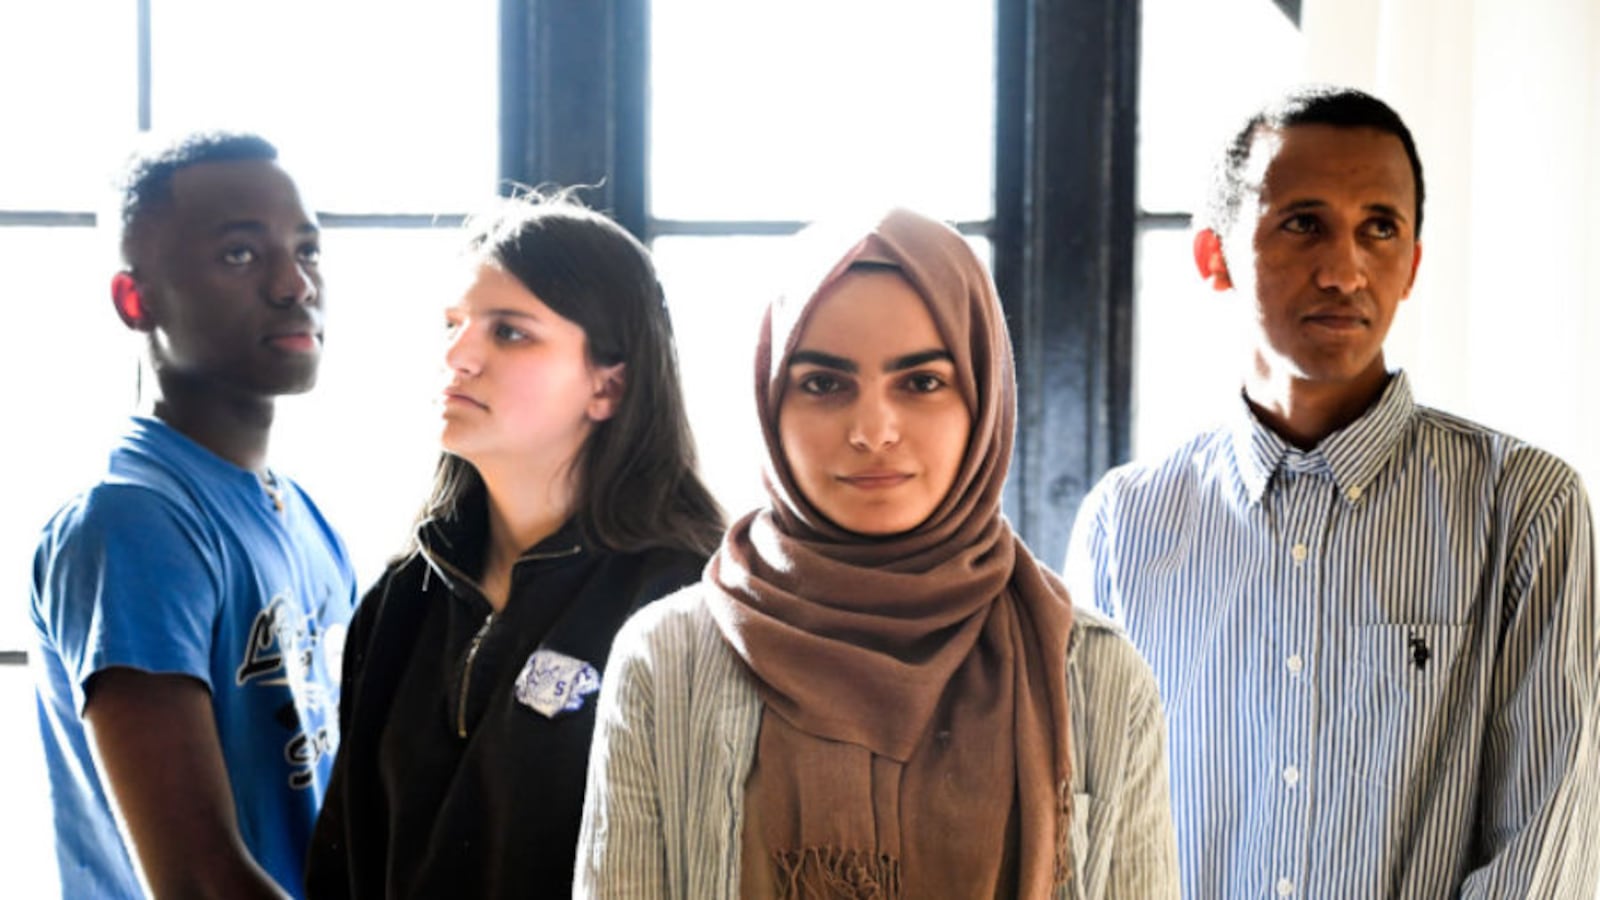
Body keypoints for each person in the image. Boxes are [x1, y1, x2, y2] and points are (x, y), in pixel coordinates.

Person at [1064, 84, 1599, 898]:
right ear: (1214, 257)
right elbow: (1086, 830)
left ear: (1413, 262)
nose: (1344, 269)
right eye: (1303, 223)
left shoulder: (1526, 509)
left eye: (1379, 229)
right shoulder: (1122, 524)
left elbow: (1549, 845)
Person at [575, 208, 1179, 899]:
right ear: (772, 404)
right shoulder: (667, 658)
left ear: (983, 398)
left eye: (921, 382)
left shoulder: (1094, 673)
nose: (872, 430)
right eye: (823, 384)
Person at [304, 194, 724, 898]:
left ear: (609, 383)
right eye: (453, 325)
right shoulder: (400, 601)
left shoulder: (684, 599)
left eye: (510, 333)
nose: (458, 356)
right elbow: (343, 868)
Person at [29, 131, 357, 898]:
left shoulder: (307, 518)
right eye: (241, 255)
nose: (293, 284)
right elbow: (202, 884)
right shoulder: (132, 523)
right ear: (135, 300)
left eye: (307, 250)